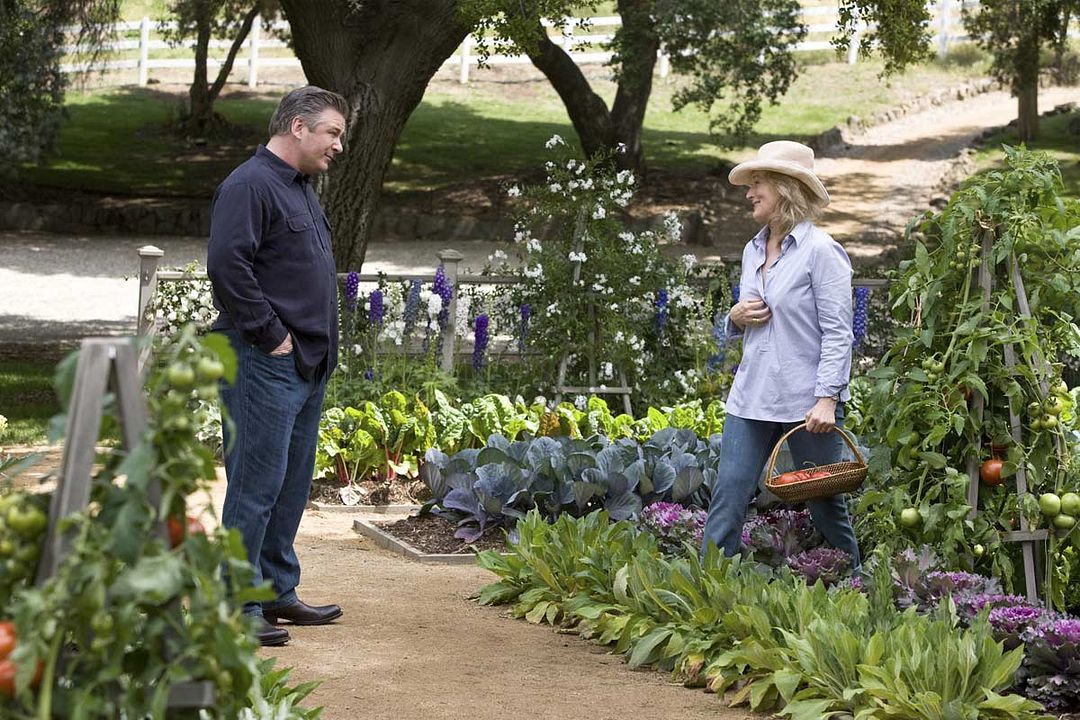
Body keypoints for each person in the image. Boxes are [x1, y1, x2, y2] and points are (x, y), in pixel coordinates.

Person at [207, 85, 348, 647]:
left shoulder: (301, 188)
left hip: (306, 364)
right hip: (262, 361)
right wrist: (271, 336)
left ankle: (275, 591)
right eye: (332, 133)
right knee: (255, 486)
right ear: (297, 126)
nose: (338, 145)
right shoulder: (249, 185)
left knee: (290, 485)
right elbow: (227, 266)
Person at [700, 140, 860, 567]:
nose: (749, 193)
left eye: (758, 184)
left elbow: (838, 333)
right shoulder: (753, 250)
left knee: (825, 503)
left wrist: (827, 399)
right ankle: (707, 586)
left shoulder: (821, 251)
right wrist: (735, 316)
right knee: (729, 493)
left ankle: (857, 587)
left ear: (786, 188)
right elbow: (751, 320)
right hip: (752, 395)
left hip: (808, 403)